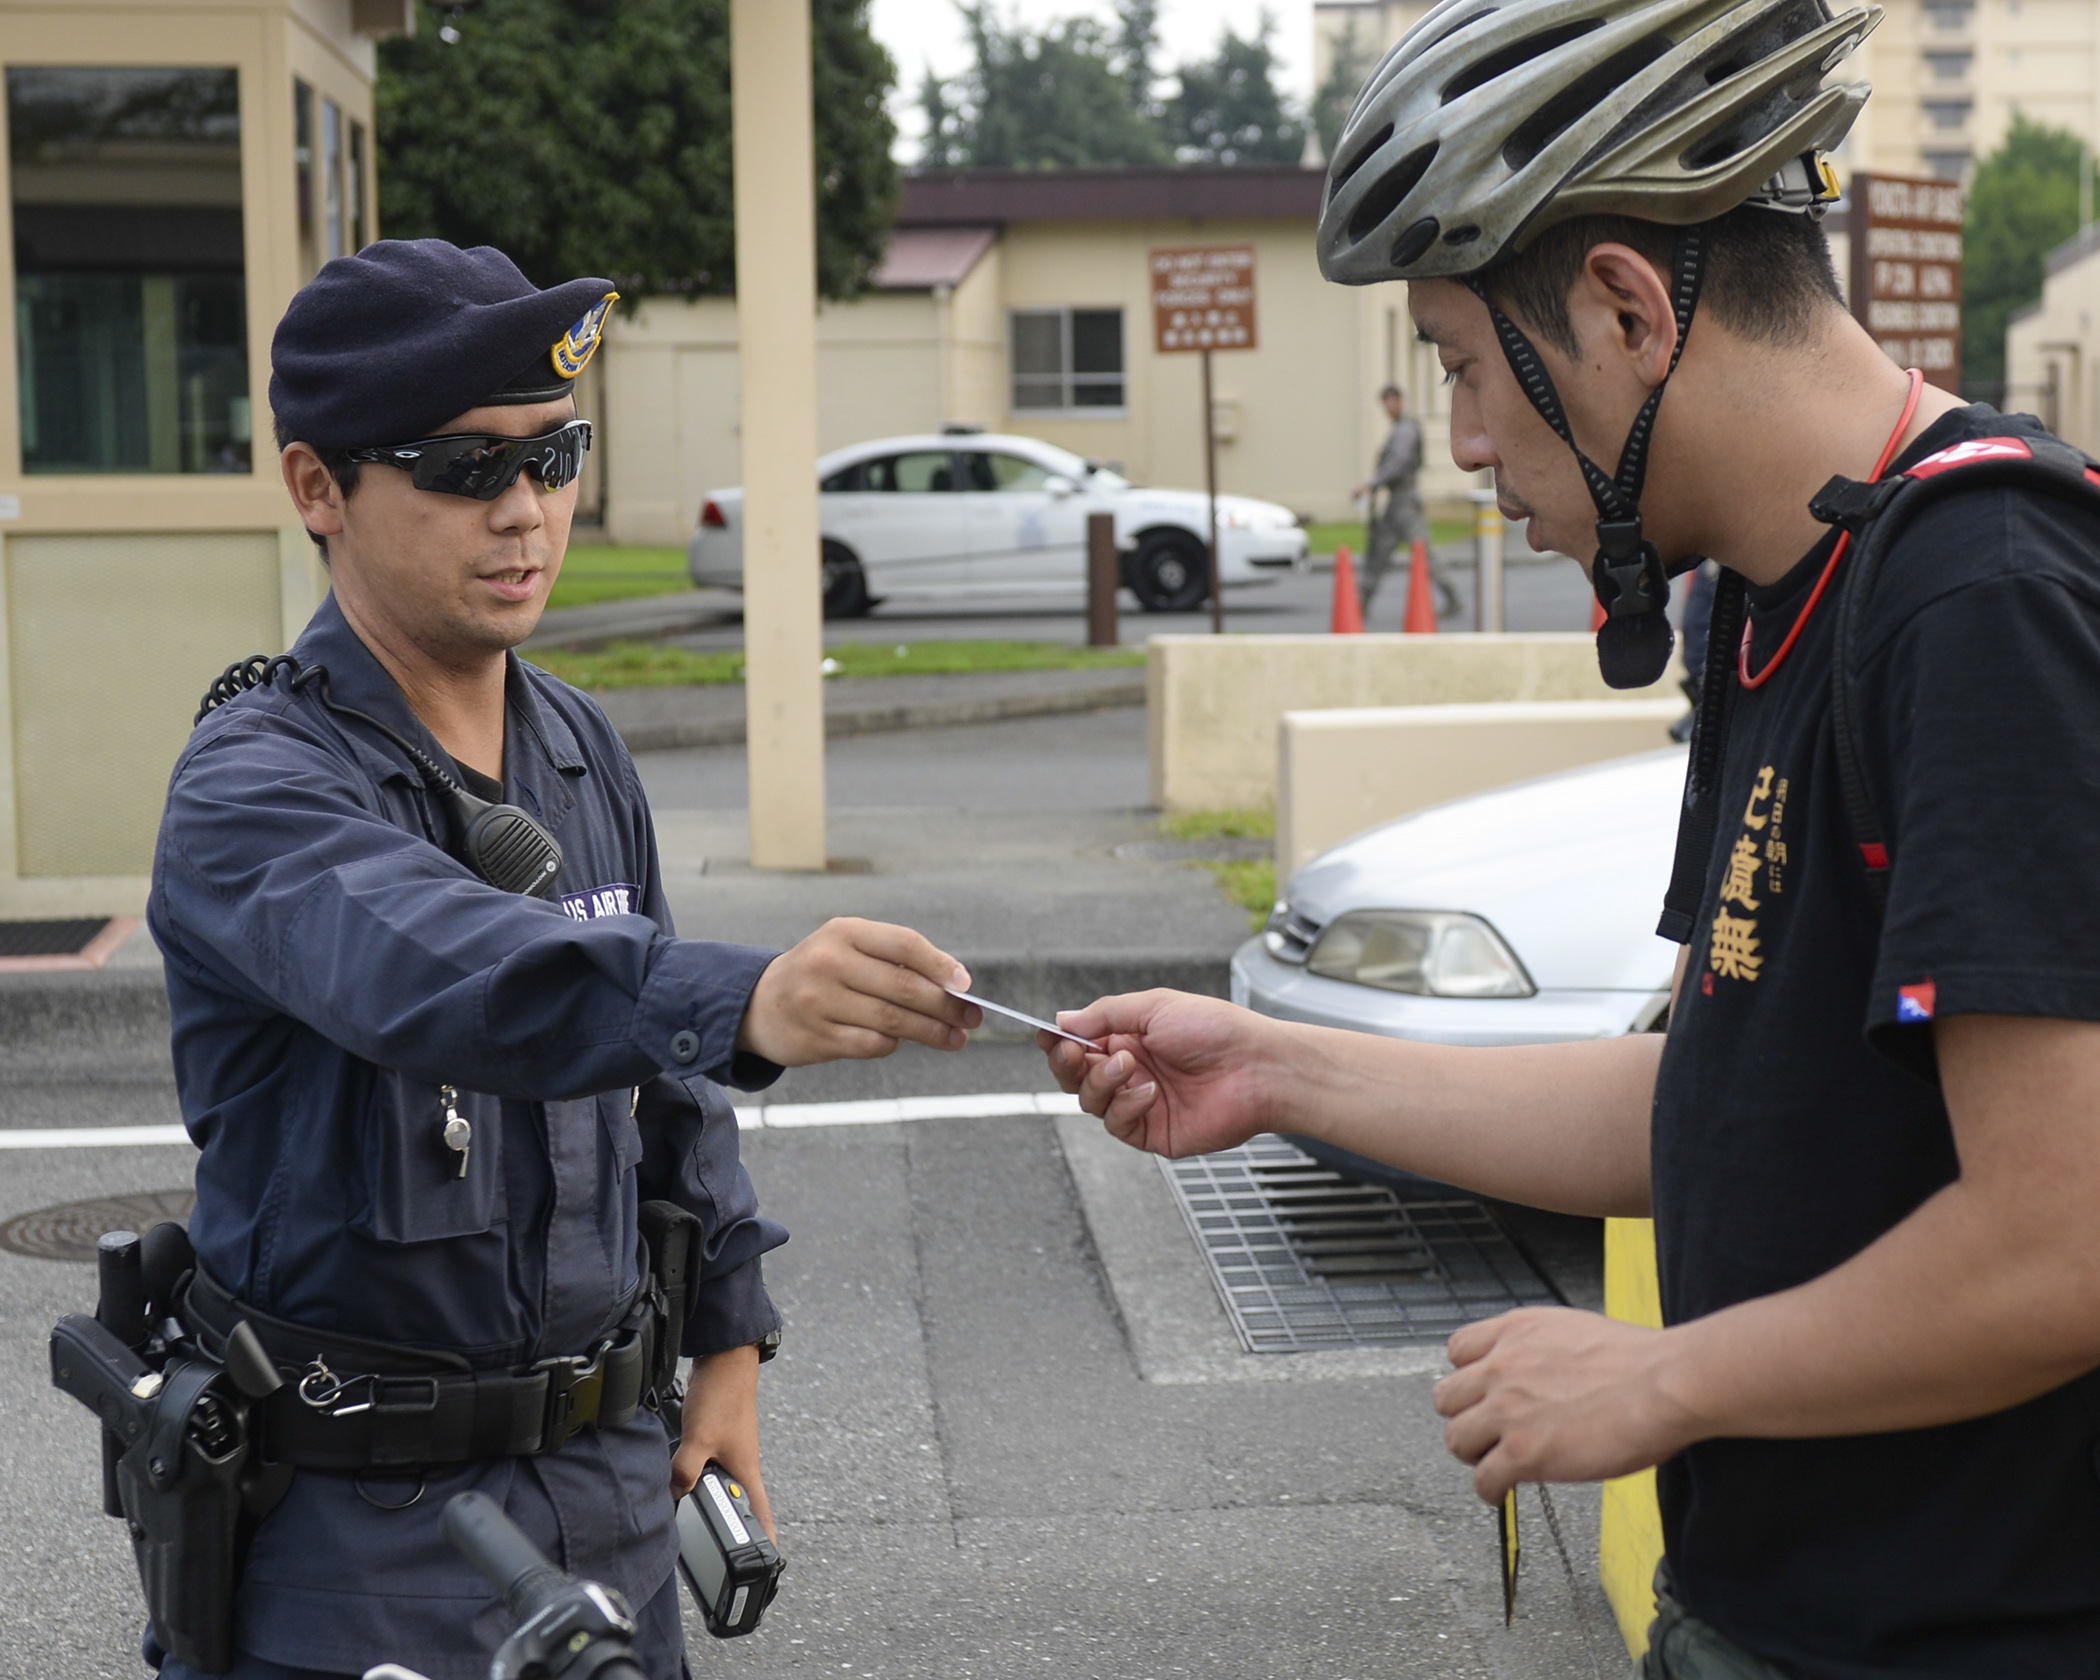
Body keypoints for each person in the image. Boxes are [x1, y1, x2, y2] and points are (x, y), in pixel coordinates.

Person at [1042, 1, 2100, 1674]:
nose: (1462, 443)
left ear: (1624, 306)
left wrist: (1657, 1376)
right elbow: (1712, 1099)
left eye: (1463, 364)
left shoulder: (1981, 599)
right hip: (1766, 1617)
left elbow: (2069, 1237)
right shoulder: (1780, 600)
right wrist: (1277, 1068)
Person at [148, 240, 982, 1680]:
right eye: (464, 467)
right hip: (367, 1540)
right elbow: (450, 970)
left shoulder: (577, 746)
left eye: (556, 456)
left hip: (614, 1496)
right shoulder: (253, 786)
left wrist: (730, 1346)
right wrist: (752, 998)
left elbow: (667, 1107)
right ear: (316, 487)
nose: (525, 512)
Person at [1351, 383, 1451, 619]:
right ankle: (1360, 603)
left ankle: (1452, 597)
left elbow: (1398, 463)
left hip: (1405, 500)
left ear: (1400, 401)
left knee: (1423, 552)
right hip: (1397, 500)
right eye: (1385, 402)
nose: (1389, 406)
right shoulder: (1399, 428)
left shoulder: (1405, 430)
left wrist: (1371, 484)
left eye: (1392, 400)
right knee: (1379, 553)